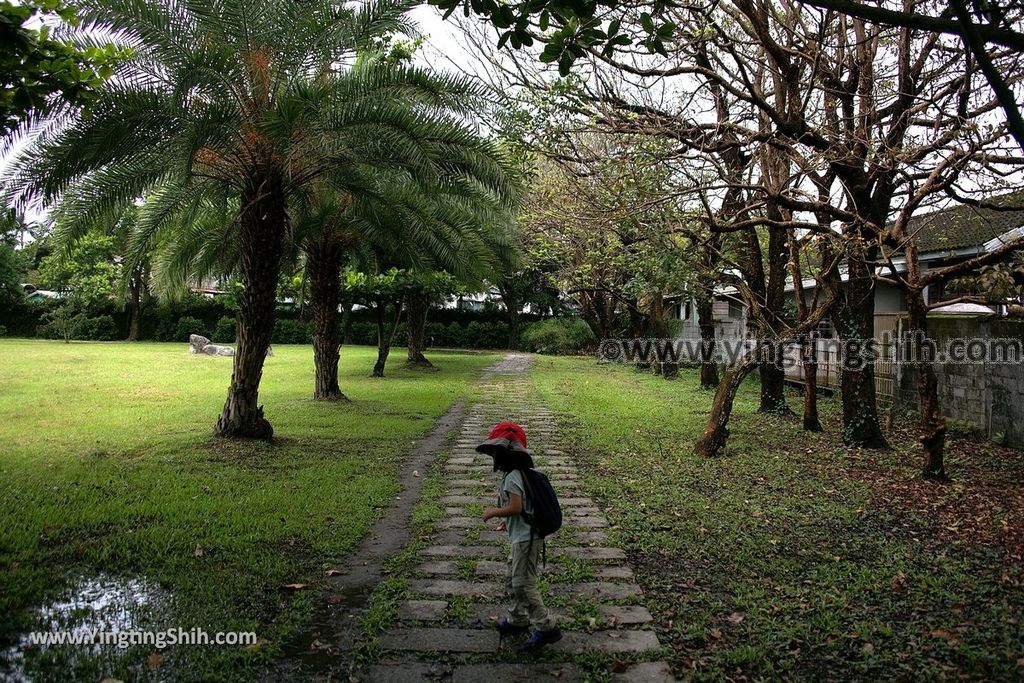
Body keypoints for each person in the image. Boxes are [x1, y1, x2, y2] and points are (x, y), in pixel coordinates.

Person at [477, 421, 562, 652]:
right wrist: (507, 522)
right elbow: (522, 509)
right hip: (522, 536)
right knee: (513, 578)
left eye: (496, 452)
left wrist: (493, 512)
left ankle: (546, 627)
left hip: (527, 539)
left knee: (524, 582)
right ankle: (518, 618)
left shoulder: (513, 477)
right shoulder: (518, 474)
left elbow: (516, 506)